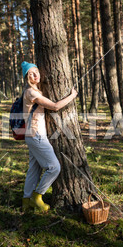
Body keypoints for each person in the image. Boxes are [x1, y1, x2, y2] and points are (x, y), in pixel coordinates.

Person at [21, 61, 78, 212]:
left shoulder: (33, 91)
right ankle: (37, 196)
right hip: (36, 135)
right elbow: (55, 106)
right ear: (27, 77)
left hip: (31, 135)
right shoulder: (31, 92)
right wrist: (72, 95)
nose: (35, 75)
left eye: (36, 71)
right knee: (54, 167)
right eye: (31, 74)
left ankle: (26, 202)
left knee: (34, 169)